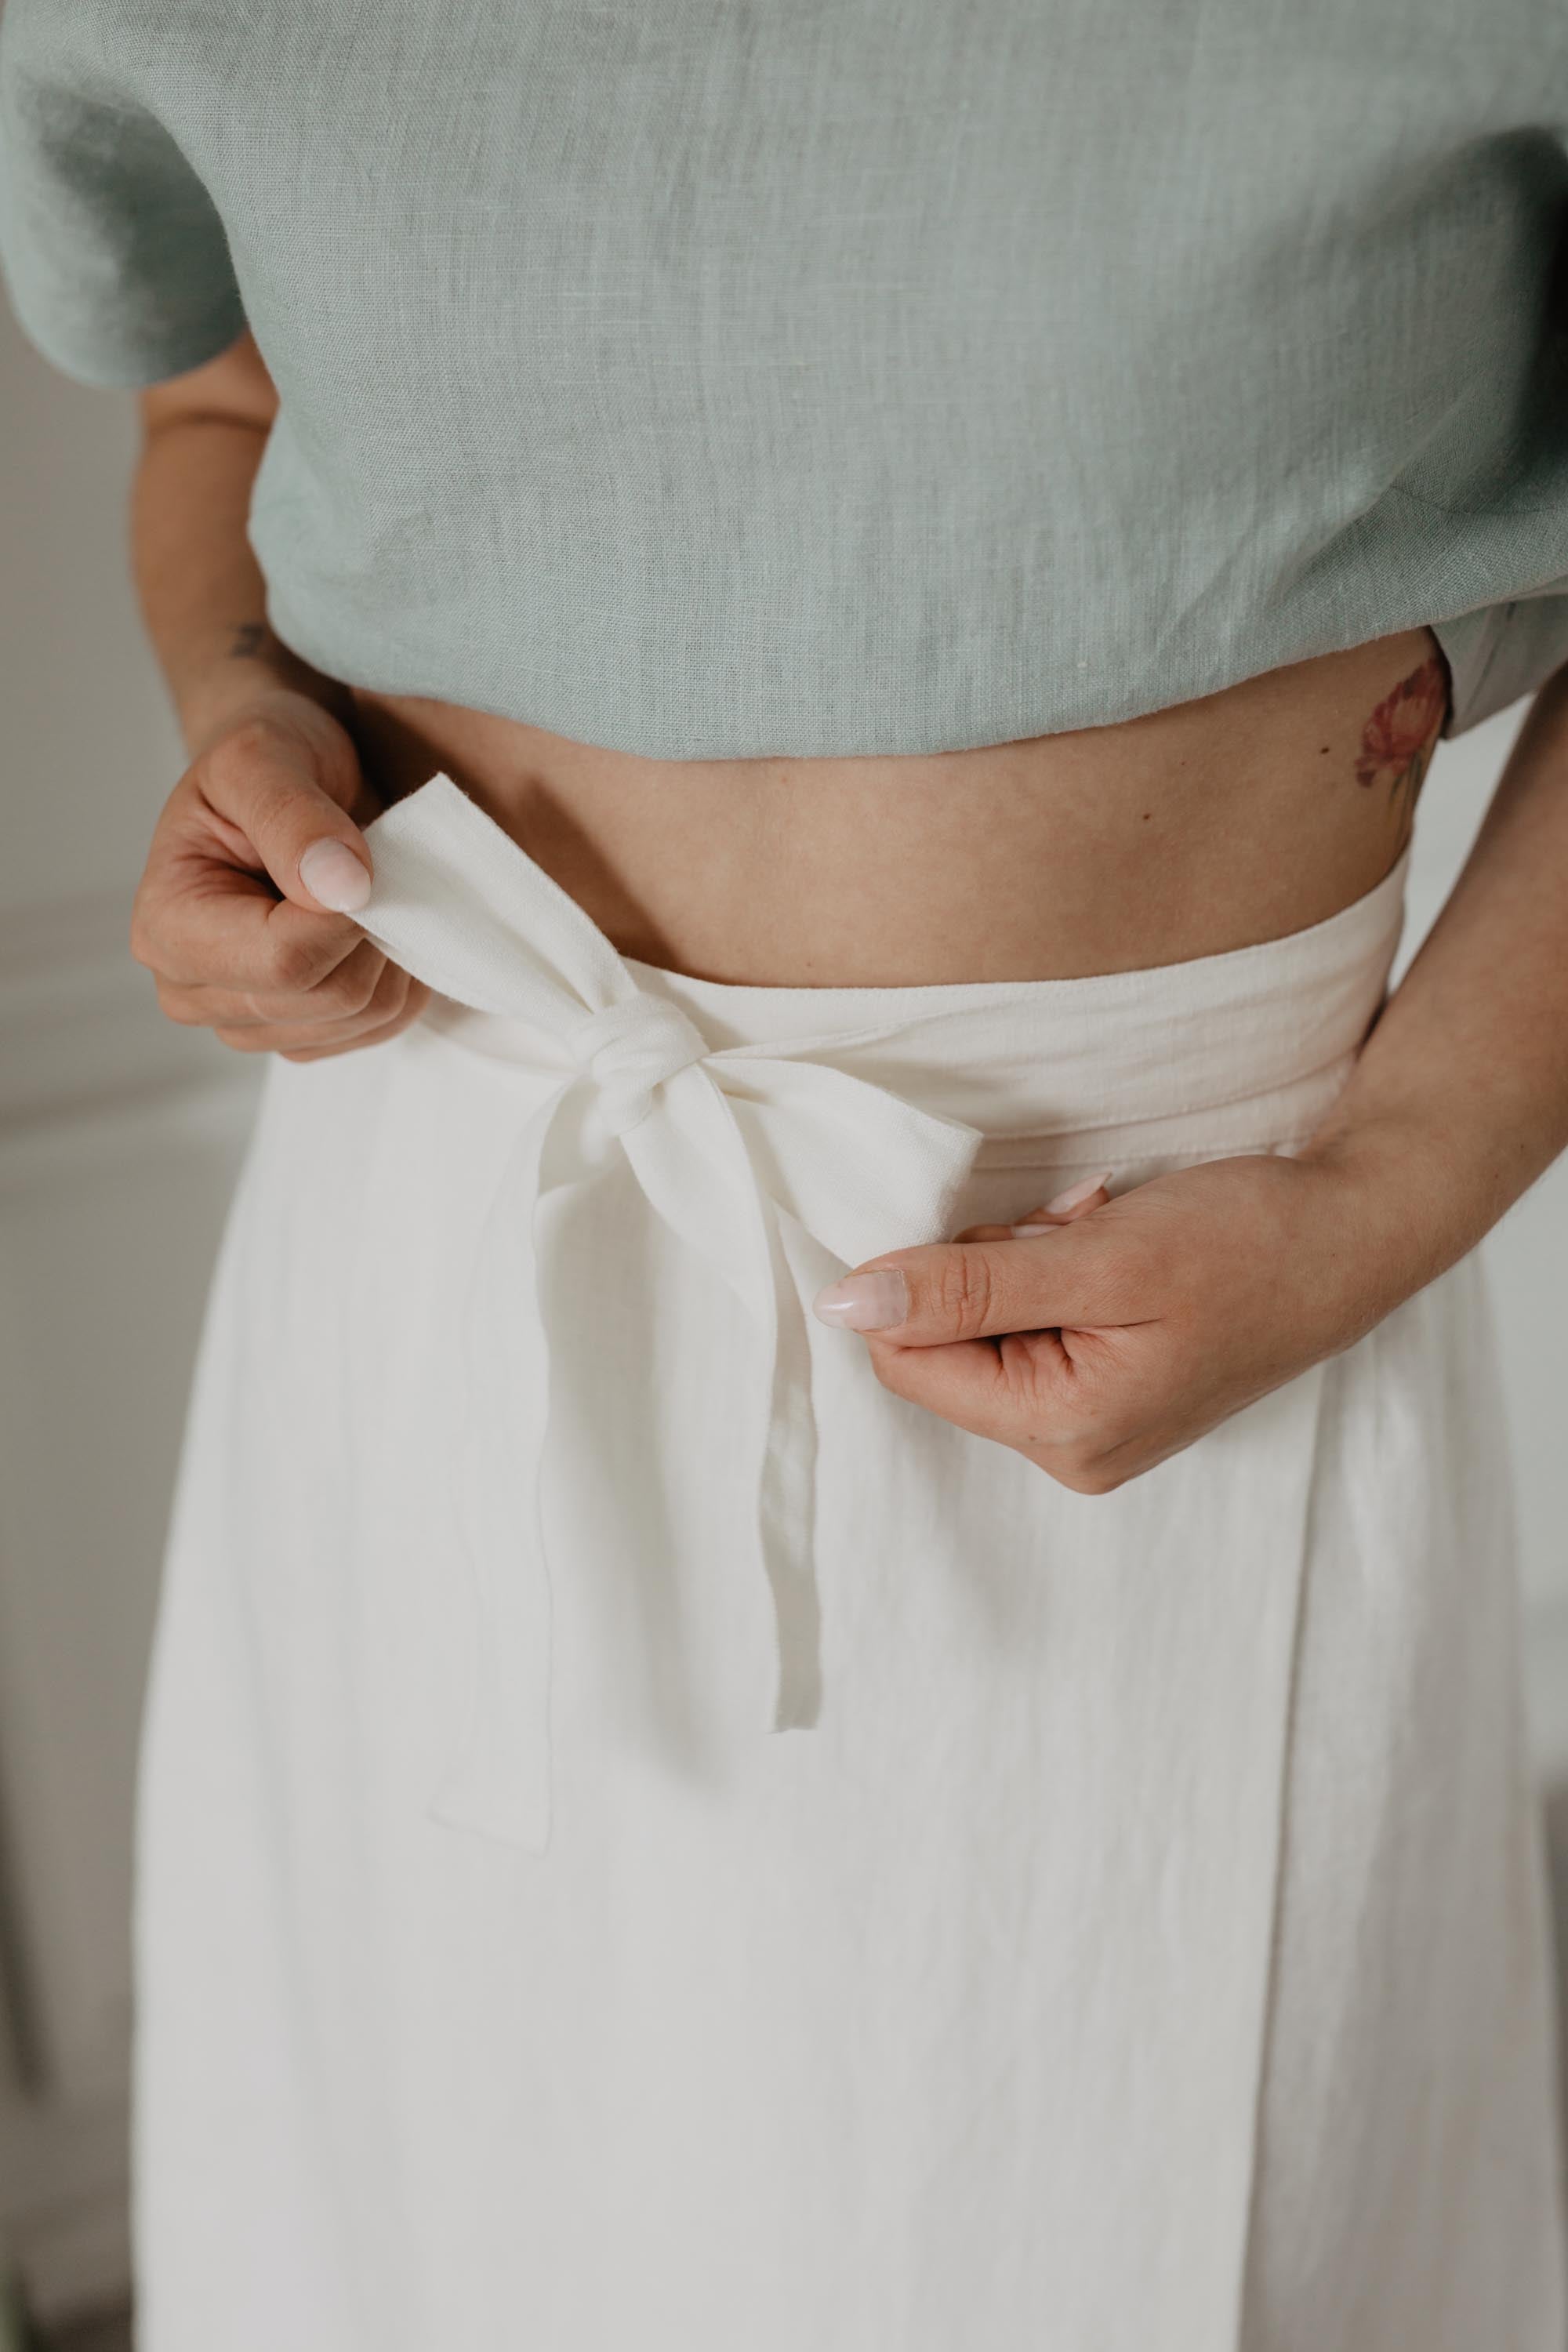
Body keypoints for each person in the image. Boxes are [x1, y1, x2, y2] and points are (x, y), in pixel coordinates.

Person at [3, 2, 1567, 2344]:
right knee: (435, 2236)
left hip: (1168, 1346)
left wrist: (1399, 1183)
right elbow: (216, 397)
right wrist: (247, 720)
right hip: (438, 1293)